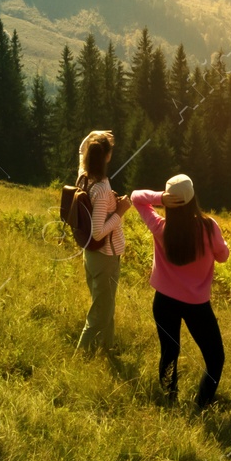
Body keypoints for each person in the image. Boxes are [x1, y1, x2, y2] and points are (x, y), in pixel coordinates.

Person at [130, 173, 230, 407]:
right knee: (215, 357)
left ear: (168, 201)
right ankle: (202, 403)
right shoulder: (208, 227)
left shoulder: (160, 226)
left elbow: (136, 197)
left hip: (164, 301)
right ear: (193, 198)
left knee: (169, 351)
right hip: (197, 305)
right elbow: (223, 257)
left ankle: (169, 398)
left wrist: (160, 198)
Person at [76, 130, 128, 353]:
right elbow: (98, 232)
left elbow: (80, 151)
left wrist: (90, 136)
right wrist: (121, 211)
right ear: (107, 156)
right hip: (106, 256)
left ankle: (108, 347)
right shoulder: (102, 189)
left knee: (106, 305)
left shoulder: (83, 177)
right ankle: (81, 354)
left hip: (91, 255)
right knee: (100, 312)